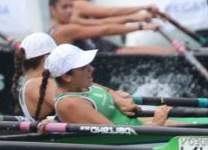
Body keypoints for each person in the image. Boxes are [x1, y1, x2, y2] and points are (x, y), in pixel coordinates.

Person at [12, 32, 142, 124]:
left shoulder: (34, 82)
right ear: (47, 58)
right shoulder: (37, 84)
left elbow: (82, 90)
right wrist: (115, 97)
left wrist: (112, 94)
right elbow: (81, 97)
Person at [39, 44, 172, 127]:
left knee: (190, 121)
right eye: (84, 67)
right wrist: (156, 124)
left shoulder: (82, 85)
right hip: (140, 138)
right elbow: (115, 135)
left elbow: (107, 90)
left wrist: (118, 99)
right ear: (67, 76)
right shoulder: (70, 103)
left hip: (141, 125)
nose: (91, 69)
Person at [46, 0, 166, 53]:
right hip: (105, 57)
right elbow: (104, 29)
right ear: (52, 10)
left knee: (161, 50)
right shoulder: (64, 30)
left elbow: (100, 23)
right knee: (163, 52)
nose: (70, 11)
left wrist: (136, 17)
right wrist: (142, 27)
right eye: (64, 7)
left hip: (104, 52)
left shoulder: (65, 24)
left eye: (71, 6)